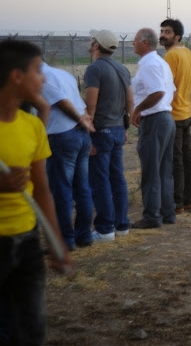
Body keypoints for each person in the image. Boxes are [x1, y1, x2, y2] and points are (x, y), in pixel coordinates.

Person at [0, 39, 73, 345]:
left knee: (32, 328)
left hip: (28, 240)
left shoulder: (32, 126)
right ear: (17, 76)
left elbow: (42, 190)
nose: (43, 78)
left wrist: (55, 243)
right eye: (37, 70)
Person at [84, 29, 132, 241]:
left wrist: (88, 132)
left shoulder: (95, 69)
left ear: (96, 46)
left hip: (101, 130)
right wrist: (125, 128)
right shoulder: (122, 68)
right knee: (117, 178)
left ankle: (105, 229)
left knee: (100, 180)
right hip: (117, 128)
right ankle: (122, 225)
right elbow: (130, 102)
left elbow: (91, 105)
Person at [41, 62, 95, 249]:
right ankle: (84, 235)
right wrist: (85, 123)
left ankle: (65, 240)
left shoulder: (43, 78)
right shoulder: (62, 74)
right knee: (82, 188)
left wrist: (79, 119)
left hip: (62, 134)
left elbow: (62, 102)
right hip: (79, 134)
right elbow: (78, 101)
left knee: (62, 189)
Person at [130, 28, 177, 229]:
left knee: (151, 170)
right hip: (165, 117)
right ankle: (167, 212)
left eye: (134, 40)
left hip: (155, 120)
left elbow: (157, 92)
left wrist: (138, 109)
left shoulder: (150, 65)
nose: (132, 43)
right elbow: (170, 91)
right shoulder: (161, 63)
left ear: (144, 43)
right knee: (164, 170)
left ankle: (152, 215)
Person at [159, 19, 191, 214]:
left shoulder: (171, 56)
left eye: (167, 32)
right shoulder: (188, 53)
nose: (163, 35)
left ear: (177, 36)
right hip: (187, 111)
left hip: (173, 113)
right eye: (162, 31)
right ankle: (189, 199)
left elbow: (168, 87)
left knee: (176, 160)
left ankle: (177, 202)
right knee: (187, 158)